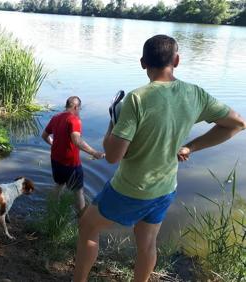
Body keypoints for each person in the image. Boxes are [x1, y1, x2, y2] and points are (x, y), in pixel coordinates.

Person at [73, 34, 246, 282]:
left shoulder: (136, 99)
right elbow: (238, 124)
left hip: (130, 189)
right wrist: (191, 147)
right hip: (165, 189)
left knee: (88, 226)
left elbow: (112, 156)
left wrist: (113, 123)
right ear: (176, 60)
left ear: (143, 63)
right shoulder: (195, 95)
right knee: (147, 243)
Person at [42, 96, 105, 213]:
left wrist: (54, 144)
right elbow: (77, 141)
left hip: (55, 160)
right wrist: (94, 152)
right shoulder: (74, 120)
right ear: (76, 107)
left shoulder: (55, 118)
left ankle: (51, 210)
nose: (79, 111)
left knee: (59, 185)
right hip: (71, 164)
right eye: (79, 109)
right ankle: (81, 218)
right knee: (79, 192)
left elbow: (44, 136)